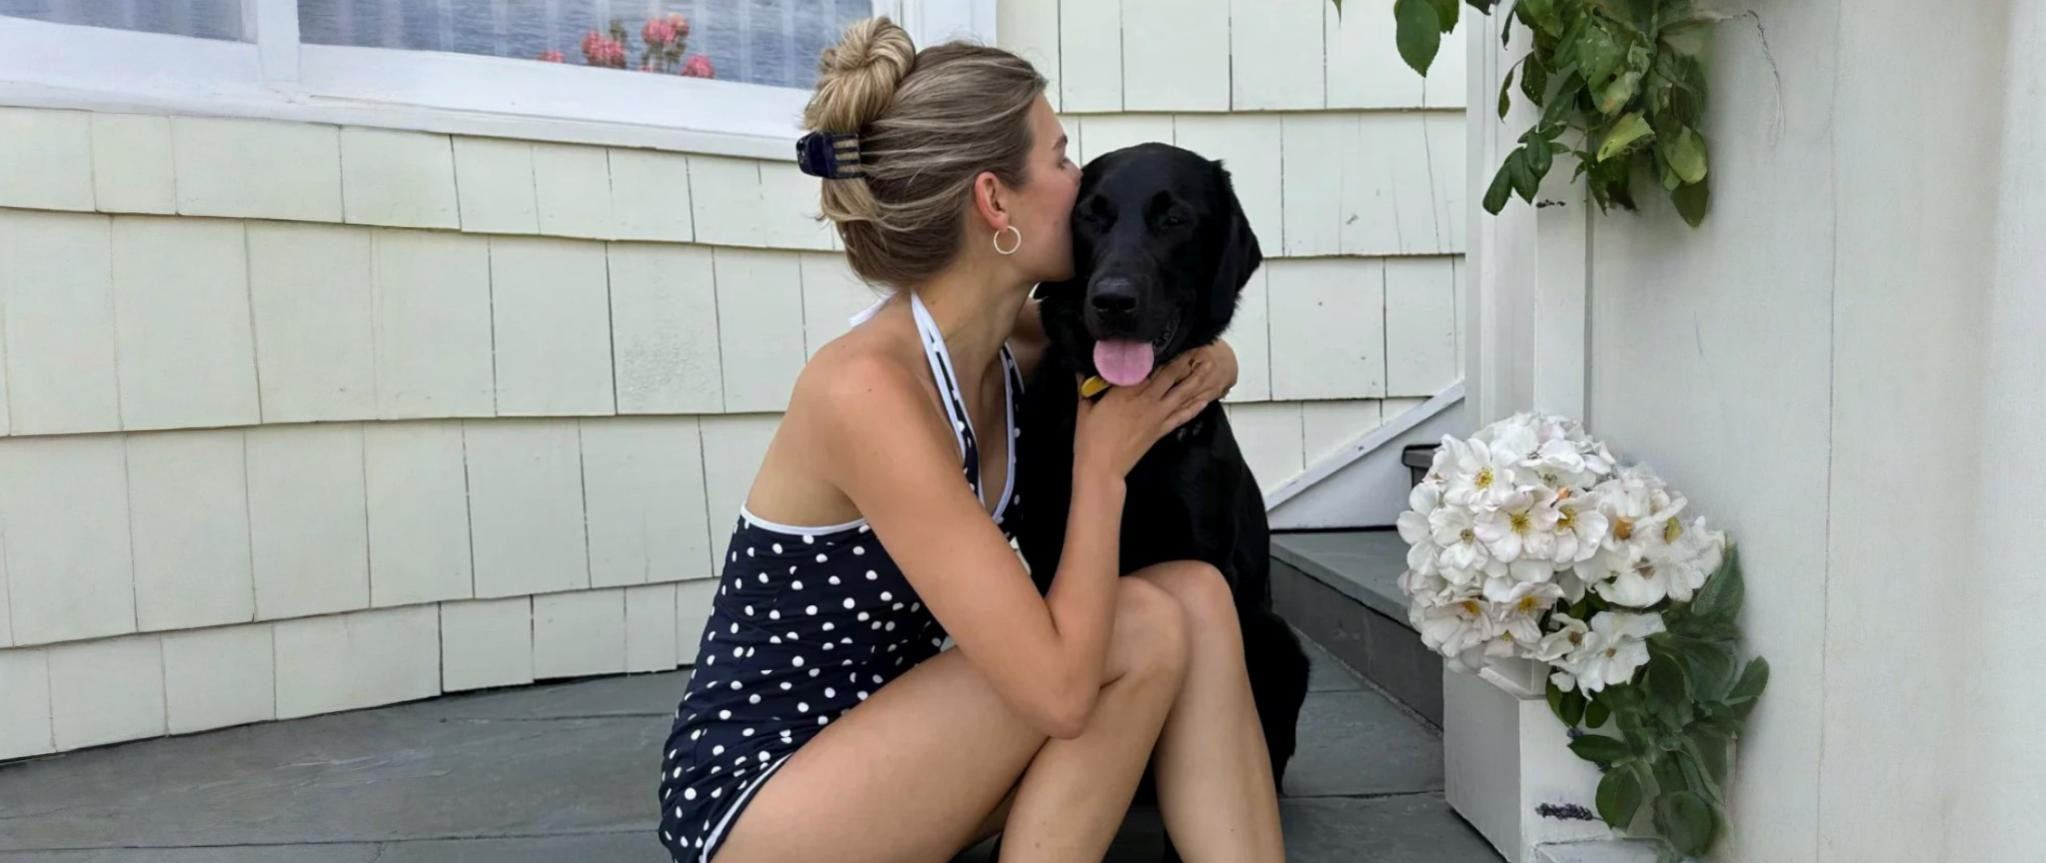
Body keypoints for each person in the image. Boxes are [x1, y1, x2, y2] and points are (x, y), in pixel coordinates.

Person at [657, 17, 1285, 863]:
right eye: (1061, 158)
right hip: (768, 805)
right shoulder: (867, 391)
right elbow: (1063, 694)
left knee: (1200, 595)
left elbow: (1157, 353)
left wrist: (1220, 358)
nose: (1079, 182)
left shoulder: (1011, 344)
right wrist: (1100, 468)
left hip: (909, 749)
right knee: (1136, 626)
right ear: (996, 202)